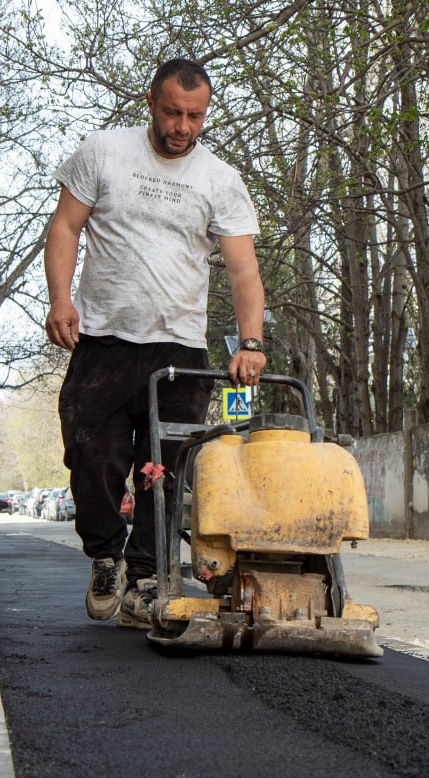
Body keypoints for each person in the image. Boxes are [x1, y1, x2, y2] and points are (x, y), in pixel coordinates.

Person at [44, 58, 267, 628]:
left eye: (195, 116)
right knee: (90, 452)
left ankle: (145, 576)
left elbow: (243, 270)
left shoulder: (219, 179)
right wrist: (61, 300)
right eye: (173, 112)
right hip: (104, 339)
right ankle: (104, 558)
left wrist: (250, 341)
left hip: (180, 348)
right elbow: (66, 227)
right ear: (151, 102)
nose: (183, 127)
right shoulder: (104, 152)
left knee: (165, 466)